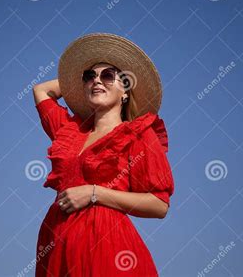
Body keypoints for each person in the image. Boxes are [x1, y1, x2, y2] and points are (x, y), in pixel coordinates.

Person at [32, 33, 175, 276]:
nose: (97, 81)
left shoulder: (138, 134)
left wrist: (95, 193)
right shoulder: (70, 132)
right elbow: (41, 90)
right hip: (56, 242)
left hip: (107, 247)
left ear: (126, 91)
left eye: (108, 75)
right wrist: (81, 82)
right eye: (90, 76)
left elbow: (159, 204)